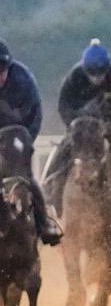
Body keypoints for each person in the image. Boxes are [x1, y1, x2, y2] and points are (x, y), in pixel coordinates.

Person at [44, 39, 111, 217]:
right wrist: (75, 124)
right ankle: (50, 194)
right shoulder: (74, 77)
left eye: (100, 74)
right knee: (60, 152)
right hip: (80, 129)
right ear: (85, 69)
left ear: (107, 69)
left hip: (108, 129)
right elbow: (64, 106)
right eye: (92, 74)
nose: (96, 78)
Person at [0, 38, 63, 245]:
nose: (0, 77)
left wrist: (25, 144)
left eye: (2, 71)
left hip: (16, 139)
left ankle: (45, 223)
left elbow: (34, 115)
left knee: (25, 177)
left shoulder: (23, 79)